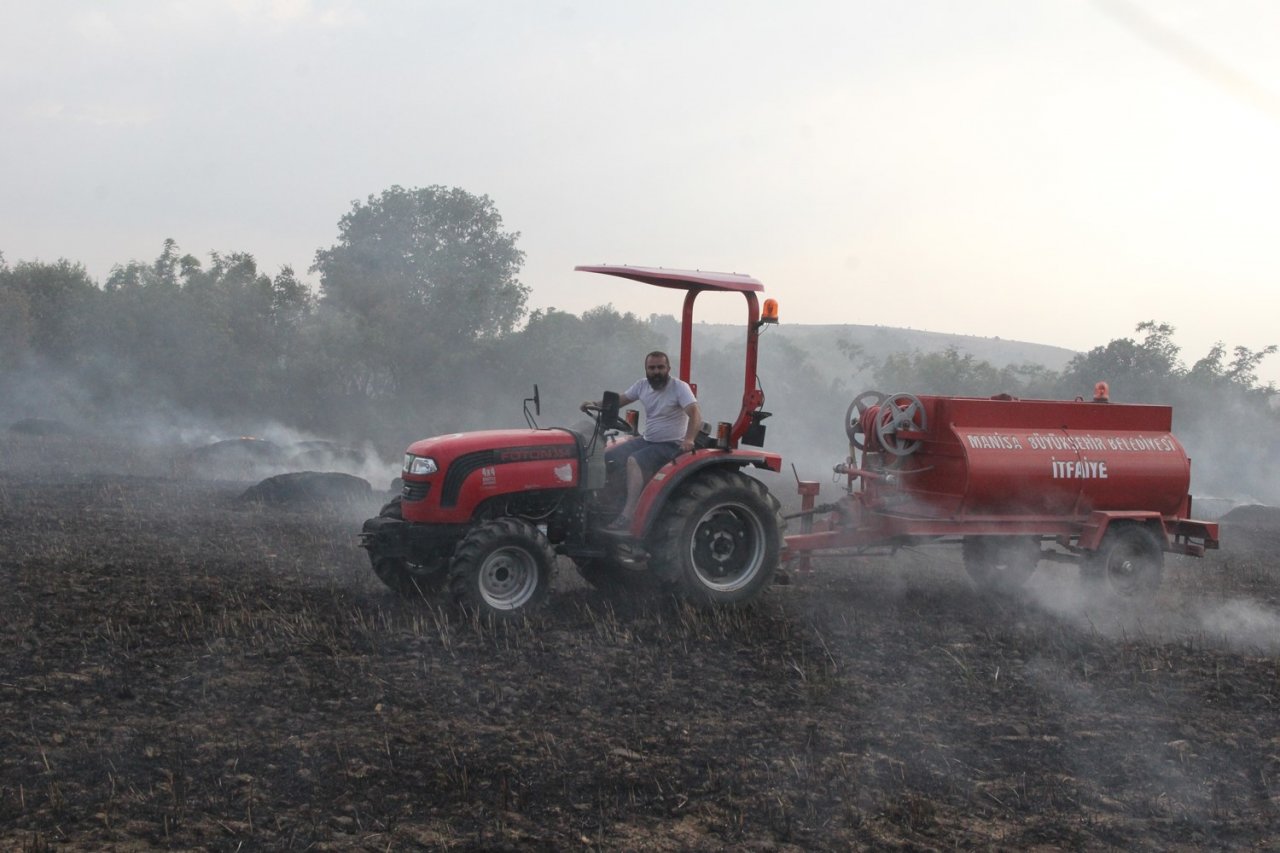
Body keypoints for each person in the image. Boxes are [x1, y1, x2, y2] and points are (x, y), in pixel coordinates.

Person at [581, 350, 702, 530]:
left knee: (634, 460)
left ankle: (628, 514)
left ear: (668, 368)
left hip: (672, 444)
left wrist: (690, 438)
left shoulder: (679, 388)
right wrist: (594, 404)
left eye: (660, 367)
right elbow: (619, 401)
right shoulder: (642, 385)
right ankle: (601, 505)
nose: (656, 371)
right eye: (652, 368)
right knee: (606, 457)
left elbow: (695, 414)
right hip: (648, 440)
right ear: (646, 369)